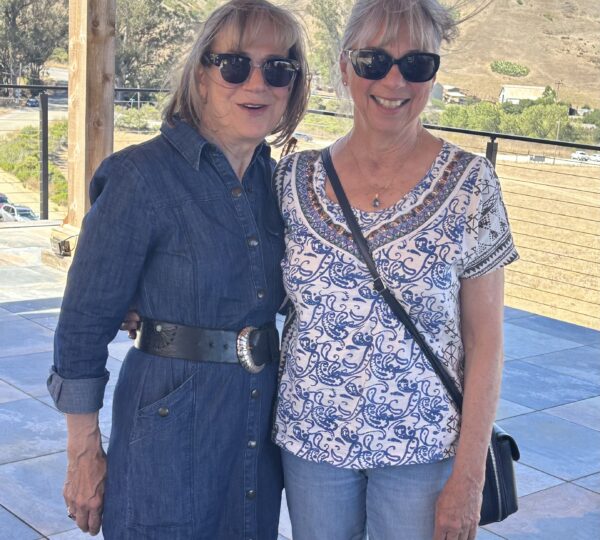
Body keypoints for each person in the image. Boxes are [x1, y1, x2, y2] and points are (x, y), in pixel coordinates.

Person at [46, 0, 310, 538]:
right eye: (235, 64)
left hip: (254, 418)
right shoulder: (140, 177)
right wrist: (83, 453)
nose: (256, 83)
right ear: (202, 75)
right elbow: (83, 326)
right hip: (169, 423)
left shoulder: (278, 185)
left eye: (277, 69)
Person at [272, 1, 519, 539]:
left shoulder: (471, 184)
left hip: (423, 448)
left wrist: (470, 476)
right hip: (312, 440)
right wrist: (144, 299)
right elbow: (235, 270)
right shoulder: (292, 179)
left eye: (416, 64)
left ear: (433, 75)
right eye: (373, 60)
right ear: (345, 67)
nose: (394, 80)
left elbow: (485, 341)